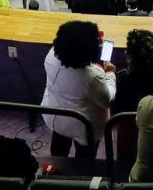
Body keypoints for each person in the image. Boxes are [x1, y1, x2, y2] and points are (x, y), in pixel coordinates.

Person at [41, 20, 116, 157]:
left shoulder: (51, 54)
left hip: (55, 115)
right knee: (84, 160)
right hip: (83, 126)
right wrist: (110, 74)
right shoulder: (93, 76)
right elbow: (107, 100)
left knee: (58, 151)